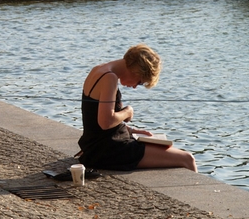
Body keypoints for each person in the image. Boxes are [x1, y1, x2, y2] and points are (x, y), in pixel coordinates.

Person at [77, 44, 197, 172]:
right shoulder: (109, 78)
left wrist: (131, 130)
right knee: (187, 159)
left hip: (97, 147)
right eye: (140, 82)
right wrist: (128, 111)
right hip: (108, 150)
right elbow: (105, 122)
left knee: (170, 151)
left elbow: (93, 117)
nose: (135, 86)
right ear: (136, 70)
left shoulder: (98, 70)